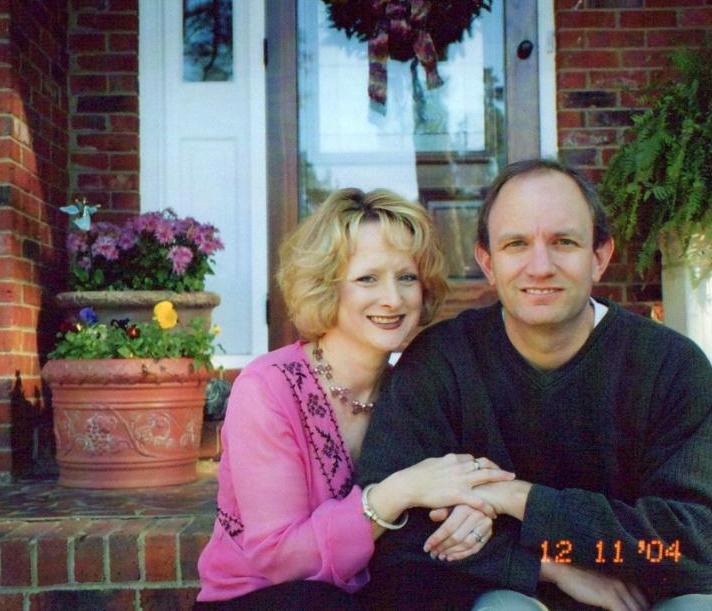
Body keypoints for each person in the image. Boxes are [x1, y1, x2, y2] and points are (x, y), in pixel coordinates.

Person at [356, 159, 712, 611]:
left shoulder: (670, 367)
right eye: (516, 244)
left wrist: (516, 497)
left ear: (599, 257)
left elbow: (697, 552)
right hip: (506, 598)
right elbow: (397, 535)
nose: (540, 266)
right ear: (488, 261)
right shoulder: (441, 362)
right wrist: (540, 562)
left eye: (564, 242)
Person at [194, 188, 516, 610]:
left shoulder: (416, 383)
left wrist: (472, 512)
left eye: (407, 277)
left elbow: (448, 491)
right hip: (264, 599)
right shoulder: (267, 388)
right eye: (367, 278)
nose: (393, 299)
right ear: (327, 286)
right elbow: (282, 561)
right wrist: (396, 492)